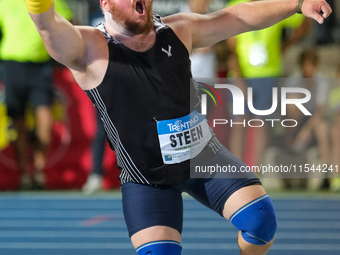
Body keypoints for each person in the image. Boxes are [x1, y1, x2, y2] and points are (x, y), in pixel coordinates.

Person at [25, 0, 332, 254]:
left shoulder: (177, 30)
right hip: (147, 180)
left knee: (260, 222)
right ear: (105, 3)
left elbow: (237, 16)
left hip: (204, 159)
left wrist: (297, 4)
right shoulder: (88, 49)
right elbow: (48, 26)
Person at [226, 0, 310, 167]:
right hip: (241, 74)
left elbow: (303, 21)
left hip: (268, 74)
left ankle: (255, 173)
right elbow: (231, 50)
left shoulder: (274, 4)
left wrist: (286, 45)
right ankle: (236, 173)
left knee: (261, 123)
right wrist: (238, 79)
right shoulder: (234, 6)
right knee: (238, 123)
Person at [0, 0, 72, 189]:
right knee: (18, 122)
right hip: (12, 65)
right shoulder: (4, 3)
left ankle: (38, 172)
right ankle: (25, 174)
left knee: (45, 120)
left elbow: (71, 24)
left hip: (40, 66)